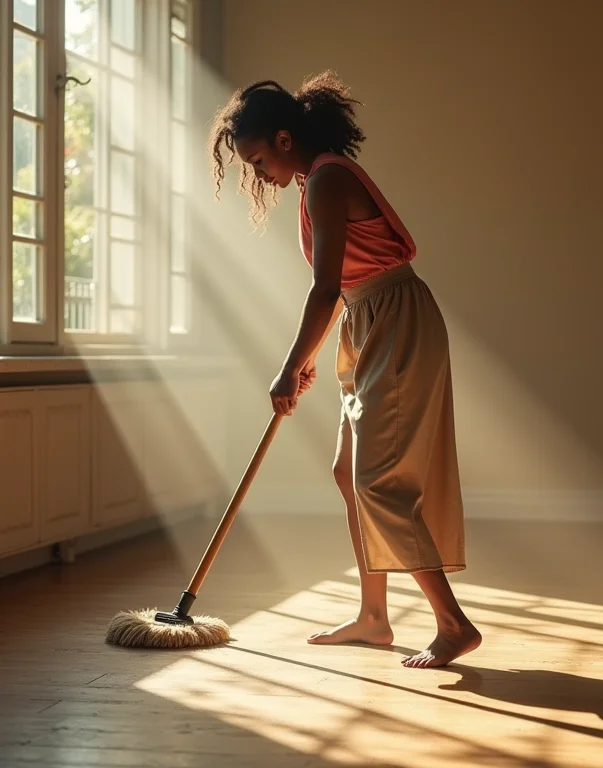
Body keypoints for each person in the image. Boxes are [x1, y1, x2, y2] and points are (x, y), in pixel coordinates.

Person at [208, 71, 481, 668]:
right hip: (368, 319)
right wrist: (309, 360)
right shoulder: (316, 178)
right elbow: (345, 289)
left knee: (377, 482)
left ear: (284, 139)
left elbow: (327, 288)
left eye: (256, 160)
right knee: (346, 469)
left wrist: (290, 368)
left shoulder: (327, 179)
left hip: (396, 321)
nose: (258, 174)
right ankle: (374, 618)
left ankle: (453, 623)